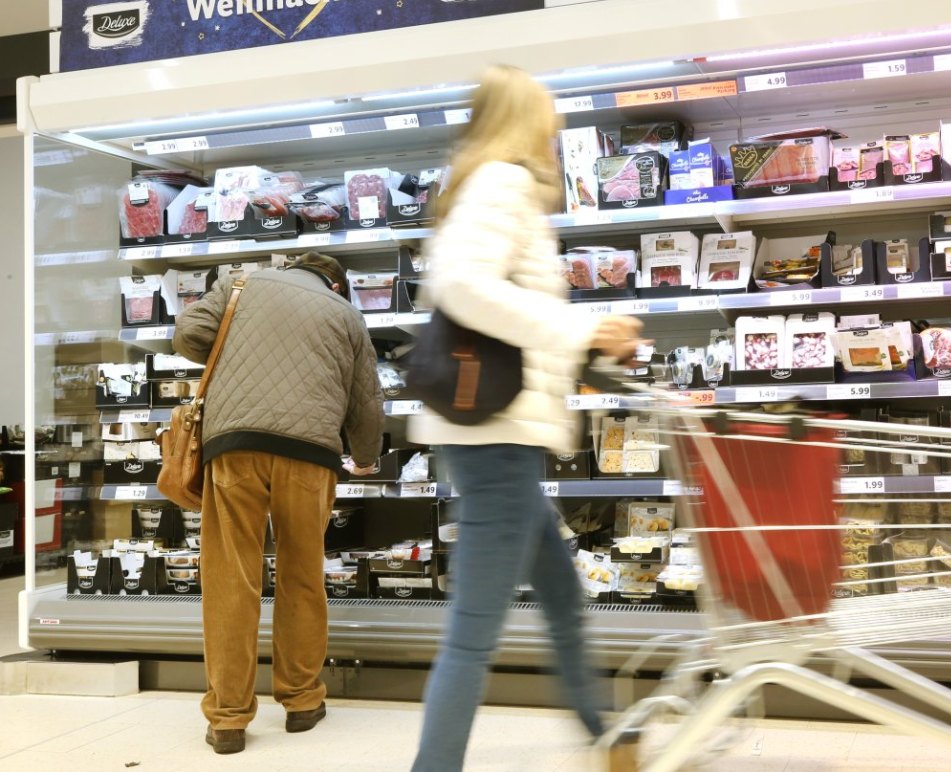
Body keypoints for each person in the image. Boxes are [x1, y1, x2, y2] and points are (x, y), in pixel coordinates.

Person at [408, 65, 645, 771]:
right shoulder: (502, 185)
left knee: (564, 598)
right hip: (495, 438)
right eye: (547, 119)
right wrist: (583, 330)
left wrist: (596, 343)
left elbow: (506, 312)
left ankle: (602, 736)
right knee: (474, 633)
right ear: (523, 121)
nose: (556, 133)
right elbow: (464, 289)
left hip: (500, 438)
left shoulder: (491, 188)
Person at [173, 252, 385, 755]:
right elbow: (366, 399)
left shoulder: (240, 283)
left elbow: (187, 335)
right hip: (310, 455)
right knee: (302, 574)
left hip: (235, 445)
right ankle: (302, 700)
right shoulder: (347, 315)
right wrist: (366, 458)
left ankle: (227, 718)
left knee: (231, 578)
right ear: (336, 286)